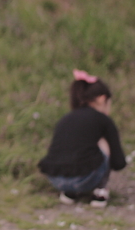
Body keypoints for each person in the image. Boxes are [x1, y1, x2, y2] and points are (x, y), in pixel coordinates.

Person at [38, 70, 126, 207]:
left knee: (76, 144)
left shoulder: (66, 119)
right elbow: (119, 163)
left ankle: (69, 193)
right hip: (85, 179)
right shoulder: (103, 120)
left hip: (55, 179)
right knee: (101, 142)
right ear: (102, 98)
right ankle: (99, 192)